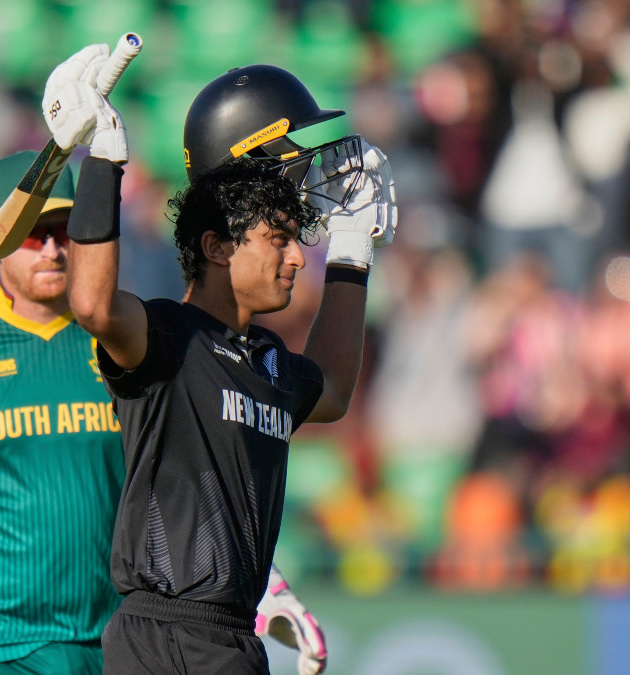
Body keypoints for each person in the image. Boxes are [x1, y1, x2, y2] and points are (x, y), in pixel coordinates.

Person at [0, 151, 326, 675]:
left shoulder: (131, 343)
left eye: (64, 230)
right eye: (32, 232)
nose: (51, 248)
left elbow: (190, 479)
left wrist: (261, 581)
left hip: (110, 649)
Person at [42, 51, 397, 674]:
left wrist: (351, 251)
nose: (294, 260)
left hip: (235, 642)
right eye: (279, 240)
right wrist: (103, 158)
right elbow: (94, 305)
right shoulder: (166, 337)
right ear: (216, 245)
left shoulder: (267, 360)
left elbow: (335, 389)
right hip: (160, 636)